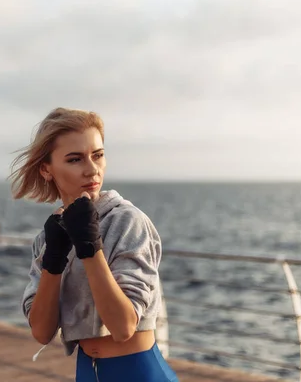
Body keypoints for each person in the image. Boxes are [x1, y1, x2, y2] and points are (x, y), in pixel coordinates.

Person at [10, 107, 179, 382]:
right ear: (46, 169)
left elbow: (123, 327)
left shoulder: (127, 221)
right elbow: (41, 331)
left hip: (138, 372)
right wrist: (53, 259)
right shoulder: (49, 236)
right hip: (87, 372)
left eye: (98, 155)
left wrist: (90, 247)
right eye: (75, 159)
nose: (92, 170)